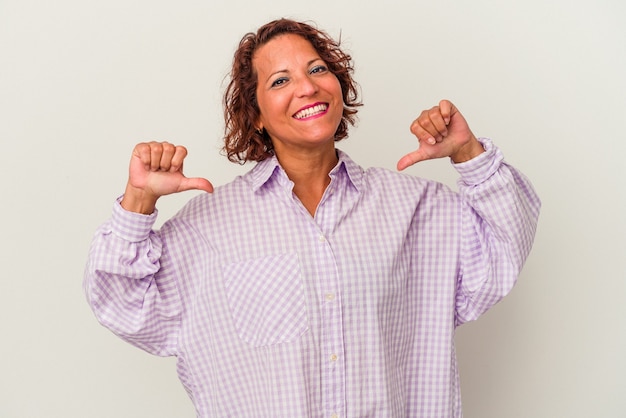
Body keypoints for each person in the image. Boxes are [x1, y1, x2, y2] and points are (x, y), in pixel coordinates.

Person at [84, 18, 540, 417]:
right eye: (280, 80)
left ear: (338, 87)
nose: (307, 87)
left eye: (318, 69)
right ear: (256, 114)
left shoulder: (414, 208)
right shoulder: (206, 229)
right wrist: (139, 200)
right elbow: (122, 305)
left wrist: (468, 153)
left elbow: (502, 248)